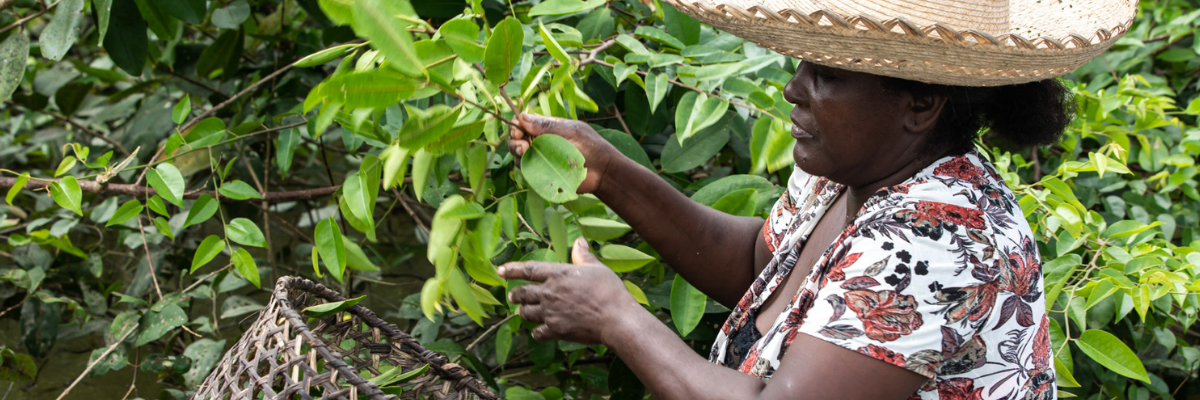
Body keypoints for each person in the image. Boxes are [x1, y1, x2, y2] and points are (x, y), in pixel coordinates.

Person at [497, 0, 1136, 398]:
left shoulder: (945, 240)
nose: (793, 90)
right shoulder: (851, 167)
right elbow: (762, 266)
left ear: (920, 104)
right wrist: (609, 172)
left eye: (826, 75)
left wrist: (618, 317)